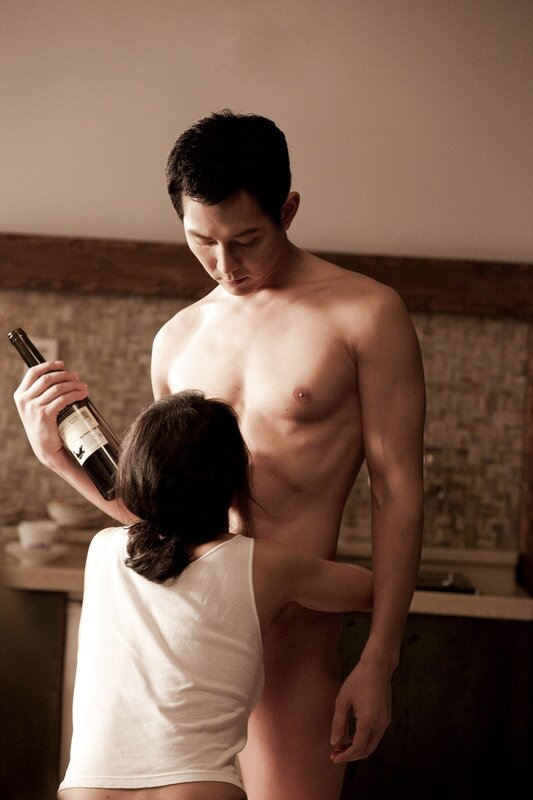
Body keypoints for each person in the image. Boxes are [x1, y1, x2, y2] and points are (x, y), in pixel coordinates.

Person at [14, 110, 426, 800]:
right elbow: (160, 520)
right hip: (179, 669)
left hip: (292, 658)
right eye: (202, 241)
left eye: (246, 240)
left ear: (287, 211)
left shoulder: (364, 314)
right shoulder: (178, 339)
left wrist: (379, 660)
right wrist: (57, 458)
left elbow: (398, 492)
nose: (225, 265)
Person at [57, 390, 373, 800]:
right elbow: (374, 591)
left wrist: (55, 456)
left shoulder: (102, 548)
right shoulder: (266, 564)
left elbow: (145, 524)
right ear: (236, 485)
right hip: (196, 788)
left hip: (85, 790)